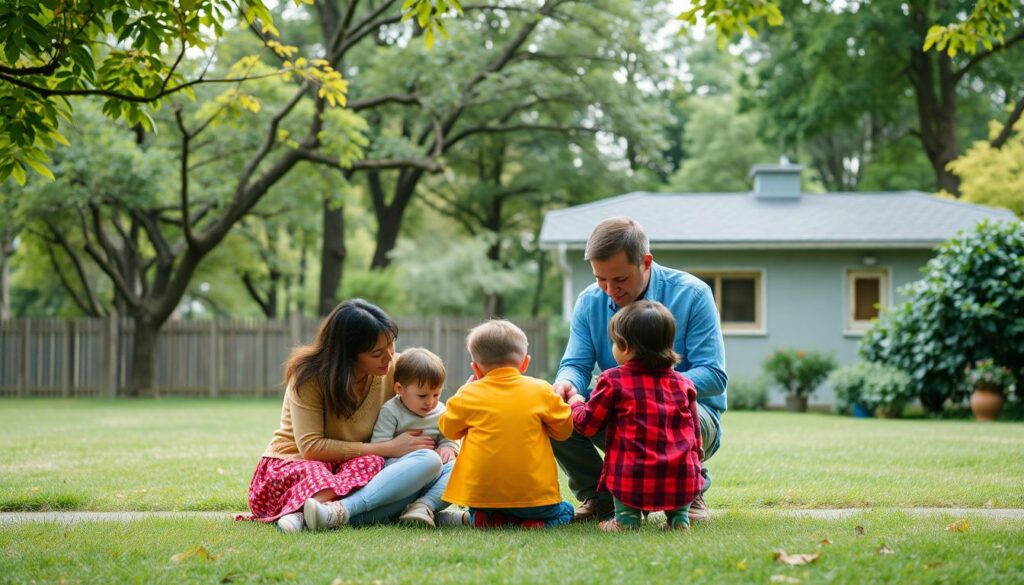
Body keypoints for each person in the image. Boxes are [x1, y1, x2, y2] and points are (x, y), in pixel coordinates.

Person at [552, 216, 727, 523]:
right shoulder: (589, 302)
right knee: (556, 414)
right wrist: (566, 384)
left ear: (646, 262)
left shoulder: (692, 295)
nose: (609, 290)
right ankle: (602, 496)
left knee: (667, 411)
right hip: (620, 414)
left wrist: (651, 392)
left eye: (619, 280)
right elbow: (575, 365)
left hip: (690, 416)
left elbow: (714, 375)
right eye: (600, 279)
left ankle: (690, 492)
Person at [244, 299, 444, 533]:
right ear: (347, 355)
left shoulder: (395, 369)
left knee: (431, 464)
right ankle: (308, 512)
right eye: (377, 353)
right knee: (365, 470)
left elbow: (429, 395)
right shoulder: (309, 377)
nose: (389, 358)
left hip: (358, 467)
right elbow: (311, 447)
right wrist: (390, 448)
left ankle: (326, 514)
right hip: (299, 463)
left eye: (391, 345)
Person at [568, 301, 702, 531]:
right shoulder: (684, 384)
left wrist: (575, 403)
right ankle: (679, 519)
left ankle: (626, 520)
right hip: (681, 477)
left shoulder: (613, 380)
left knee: (627, 463)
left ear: (626, 347)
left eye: (614, 342)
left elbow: (588, 425)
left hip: (633, 478)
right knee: (680, 465)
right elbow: (695, 433)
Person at [438, 319, 575, 528]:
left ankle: (484, 518)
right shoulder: (541, 390)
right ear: (525, 363)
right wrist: (572, 402)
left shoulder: (469, 394)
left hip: (481, 497)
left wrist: (459, 394)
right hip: (534, 497)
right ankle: (534, 524)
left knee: (486, 509)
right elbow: (564, 431)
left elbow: (448, 429)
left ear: (476, 368)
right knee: (566, 510)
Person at [370, 347, 463, 527]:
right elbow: (379, 447)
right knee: (425, 462)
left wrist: (449, 447)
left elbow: (450, 436)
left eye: (436, 394)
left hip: (433, 473)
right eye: (422, 396)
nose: (430, 402)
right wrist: (407, 453)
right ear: (400, 389)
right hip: (400, 471)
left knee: (459, 468)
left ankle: (423, 506)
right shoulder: (391, 411)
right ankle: (414, 507)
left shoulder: (441, 411)